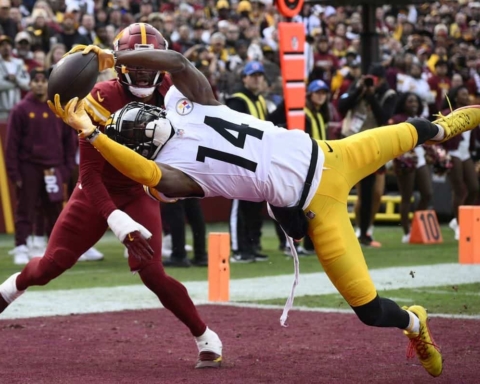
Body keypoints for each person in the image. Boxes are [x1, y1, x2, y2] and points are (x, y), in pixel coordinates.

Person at [49, 46, 480, 378]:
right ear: (138, 143)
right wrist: (94, 135)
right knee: (368, 310)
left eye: (137, 115)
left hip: (334, 154)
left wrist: (113, 56)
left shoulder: (184, 102)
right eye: (134, 127)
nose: (142, 118)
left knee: (417, 131)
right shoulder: (173, 174)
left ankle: (448, 124)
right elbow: (143, 169)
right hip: (318, 208)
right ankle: (413, 321)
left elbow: (176, 61)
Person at [0, 25, 223, 369]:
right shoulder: (99, 97)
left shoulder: (175, 92)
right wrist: (117, 221)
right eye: (137, 68)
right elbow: (89, 175)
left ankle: (205, 335)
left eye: (150, 67)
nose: (145, 75)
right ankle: (8, 291)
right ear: (120, 67)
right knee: (50, 266)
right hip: (97, 190)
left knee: (152, 272)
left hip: (139, 188)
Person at [5, 67, 76, 265]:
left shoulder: (57, 107)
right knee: (25, 208)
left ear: (48, 83)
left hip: (53, 168)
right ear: (30, 84)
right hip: (29, 167)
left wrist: (65, 169)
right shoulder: (21, 109)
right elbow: (11, 144)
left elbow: (69, 142)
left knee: (53, 208)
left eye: (43, 80)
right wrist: (14, 173)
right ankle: (21, 246)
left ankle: (53, 247)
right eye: (35, 80)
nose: (39, 84)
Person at [338, 63, 397, 247]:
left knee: (371, 192)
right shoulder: (357, 86)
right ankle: (348, 231)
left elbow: (383, 118)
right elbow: (341, 107)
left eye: (375, 81)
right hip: (349, 142)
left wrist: (371, 97)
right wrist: (359, 91)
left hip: (371, 146)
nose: (372, 83)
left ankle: (364, 232)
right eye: (369, 79)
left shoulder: (389, 95)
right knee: (342, 187)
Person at [227, 61, 269, 263]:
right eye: (253, 75)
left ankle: (252, 246)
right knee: (239, 206)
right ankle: (238, 249)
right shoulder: (237, 100)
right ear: (244, 78)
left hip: (258, 161)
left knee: (254, 207)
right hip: (241, 160)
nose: (257, 78)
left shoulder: (260, 100)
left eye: (259, 75)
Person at [389, 92, 433, 243]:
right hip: (405, 158)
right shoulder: (396, 120)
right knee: (407, 197)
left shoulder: (421, 118)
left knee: (427, 193)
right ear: (403, 104)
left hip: (420, 157)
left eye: (415, 101)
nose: (413, 104)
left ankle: (416, 227)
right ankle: (406, 232)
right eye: (410, 101)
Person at [441, 86, 480, 240]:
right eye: (463, 94)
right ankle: (459, 224)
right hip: (452, 152)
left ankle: (461, 219)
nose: (466, 97)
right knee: (460, 191)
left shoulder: (471, 111)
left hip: (465, 153)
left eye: (467, 94)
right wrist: (442, 154)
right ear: (455, 97)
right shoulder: (447, 113)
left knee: (474, 188)